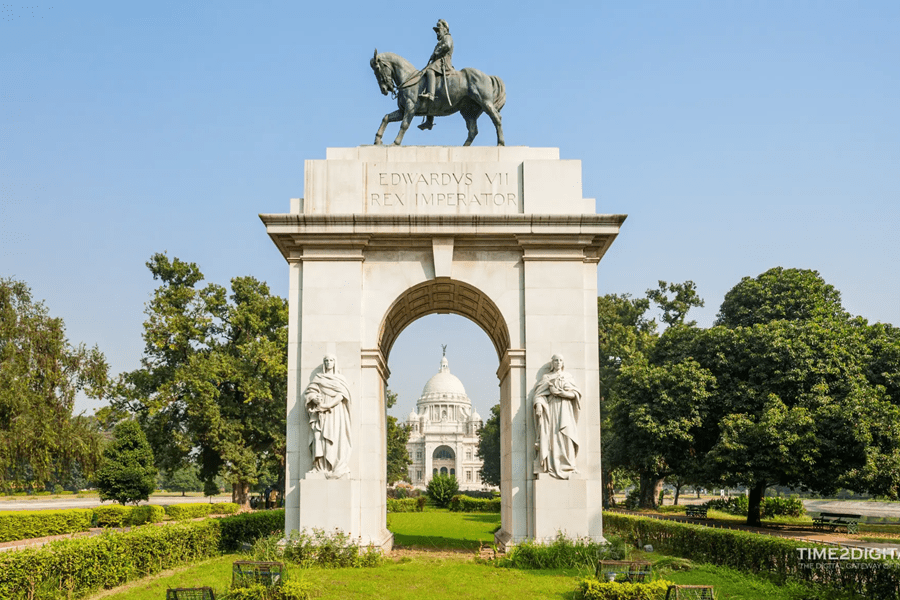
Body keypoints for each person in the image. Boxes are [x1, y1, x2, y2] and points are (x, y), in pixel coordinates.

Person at [531, 354, 581, 479]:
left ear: (563, 363)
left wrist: (563, 393)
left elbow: (576, 394)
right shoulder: (547, 377)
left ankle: (568, 464)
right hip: (552, 410)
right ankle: (552, 464)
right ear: (552, 363)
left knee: (566, 435)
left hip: (565, 410)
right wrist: (538, 405)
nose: (558, 362)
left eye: (560, 360)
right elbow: (538, 394)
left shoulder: (568, 377)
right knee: (553, 437)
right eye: (555, 360)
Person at [304, 354, 352, 479]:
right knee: (318, 437)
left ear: (335, 363)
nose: (328, 363)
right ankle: (319, 466)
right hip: (319, 412)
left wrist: (328, 405)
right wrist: (314, 398)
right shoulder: (318, 378)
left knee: (334, 438)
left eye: (331, 360)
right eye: (326, 361)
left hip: (334, 412)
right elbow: (310, 392)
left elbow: (343, 395)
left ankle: (334, 466)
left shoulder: (340, 379)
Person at [417, 19, 454, 131]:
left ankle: (431, 94)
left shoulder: (447, 37)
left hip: (444, 63)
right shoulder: (441, 40)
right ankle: (429, 121)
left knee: (429, 71)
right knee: (425, 74)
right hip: (438, 62)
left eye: (439, 29)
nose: (437, 32)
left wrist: (436, 52)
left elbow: (447, 46)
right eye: (436, 31)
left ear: (445, 29)